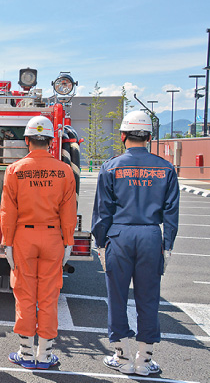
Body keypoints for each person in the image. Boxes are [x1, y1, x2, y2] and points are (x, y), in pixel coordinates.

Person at [92, 110, 179, 376]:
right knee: (149, 298)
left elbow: (102, 211)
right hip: (152, 235)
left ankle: (121, 356)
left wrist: (101, 243)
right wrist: (168, 245)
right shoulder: (165, 168)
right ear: (150, 137)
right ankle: (144, 360)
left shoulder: (111, 166)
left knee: (116, 296)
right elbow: (171, 212)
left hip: (119, 235)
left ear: (122, 136)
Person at [0, 115, 77, 370]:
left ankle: (24, 352)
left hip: (24, 237)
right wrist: (68, 242)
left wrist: (7, 242)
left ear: (27, 140)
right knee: (48, 295)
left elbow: (7, 212)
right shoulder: (64, 171)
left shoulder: (14, 170)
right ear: (51, 141)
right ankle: (44, 354)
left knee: (24, 293)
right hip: (54, 237)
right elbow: (69, 211)